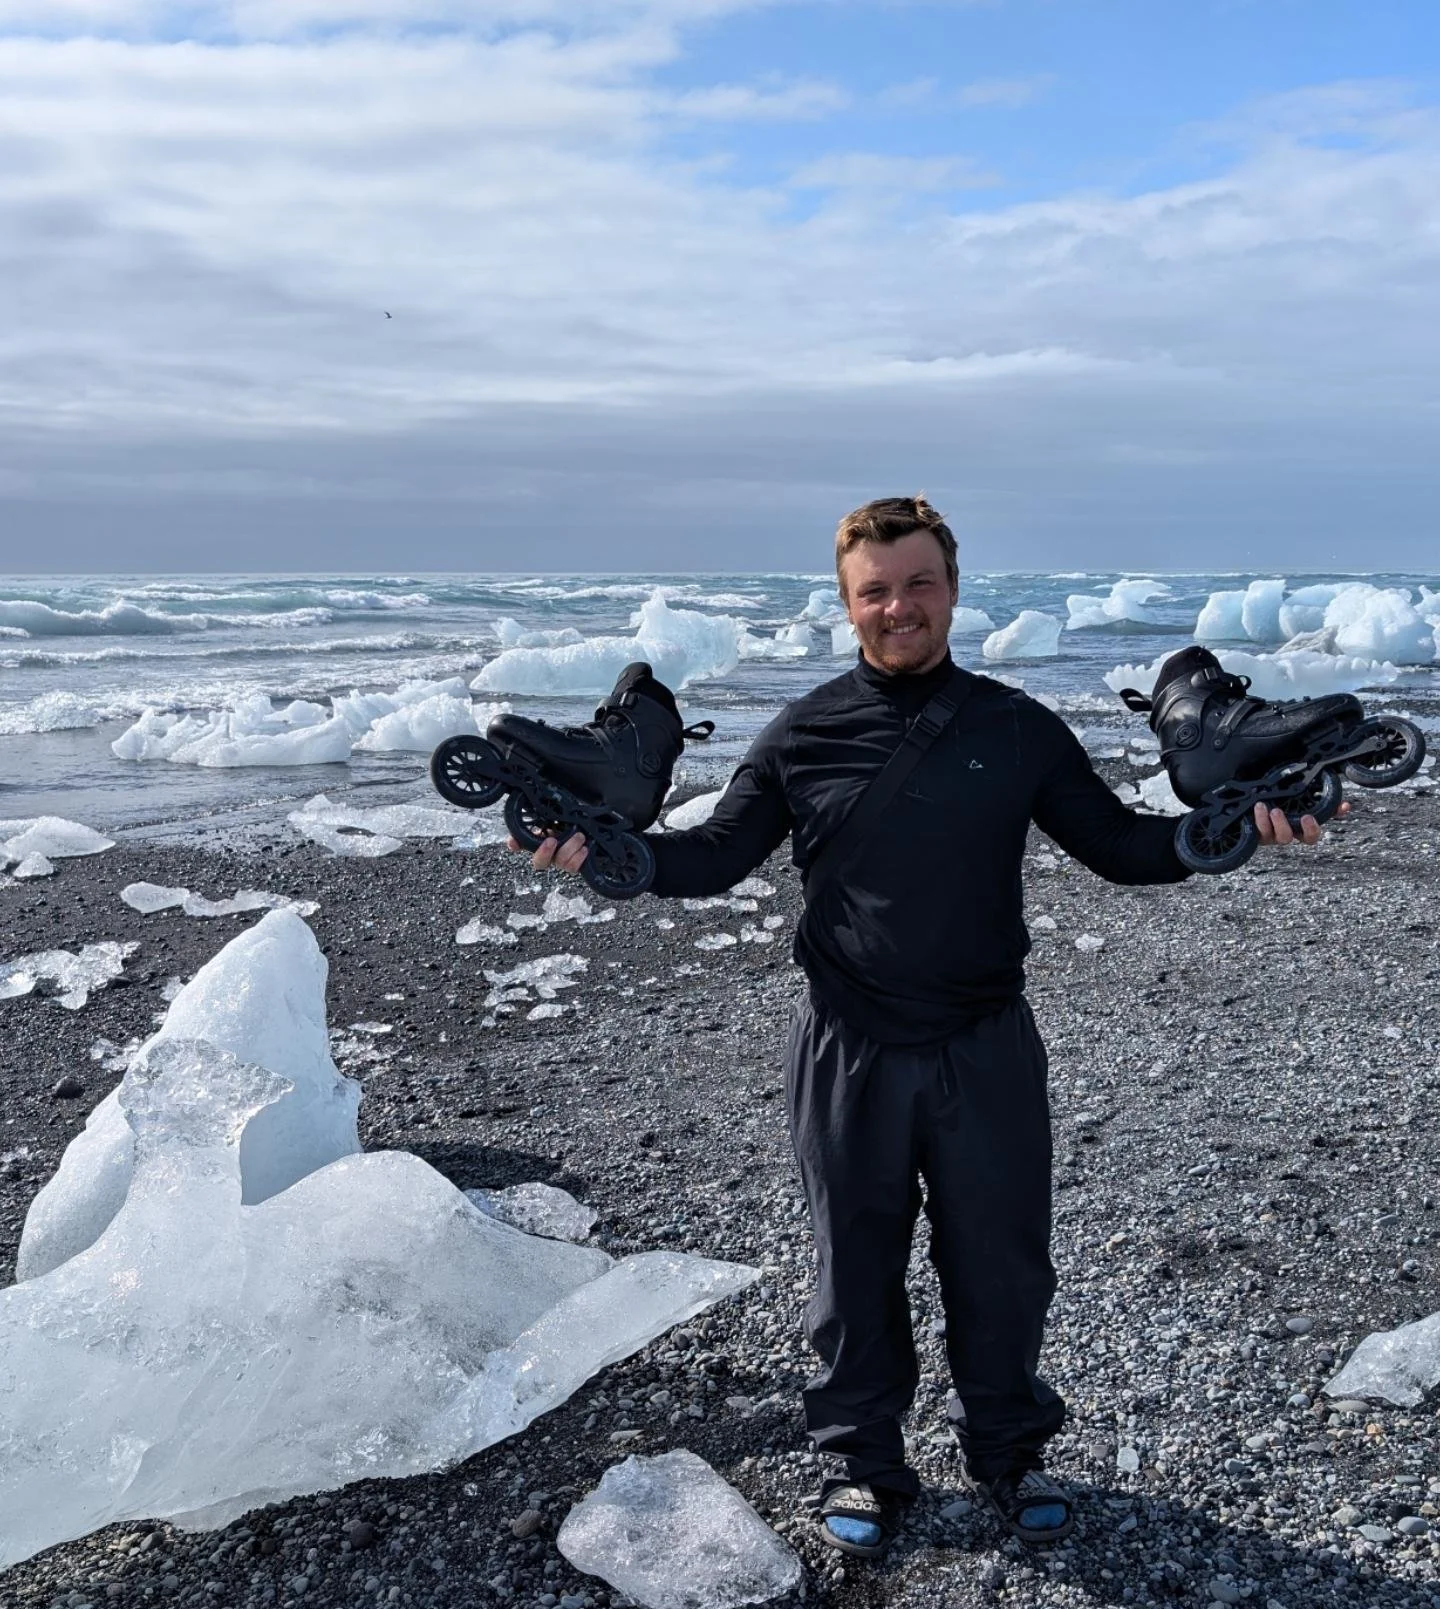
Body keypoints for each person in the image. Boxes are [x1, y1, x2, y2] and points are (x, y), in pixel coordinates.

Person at [516, 495, 1334, 1555]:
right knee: (852, 1265)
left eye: (917, 585)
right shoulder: (803, 732)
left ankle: (1006, 1452)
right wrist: (605, 859)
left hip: (984, 1042)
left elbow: (1124, 848)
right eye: (875, 591)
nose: (898, 607)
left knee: (1000, 1261)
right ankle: (865, 1464)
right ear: (846, 603)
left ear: (951, 590)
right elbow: (713, 858)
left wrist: (1242, 829)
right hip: (847, 1043)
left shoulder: (1015, 727)